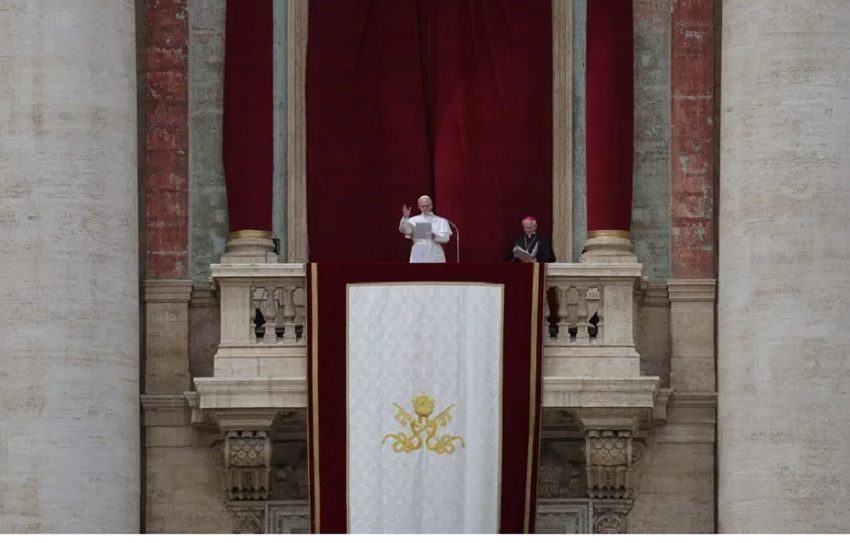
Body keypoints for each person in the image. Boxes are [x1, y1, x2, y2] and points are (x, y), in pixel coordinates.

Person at [399, 195, 452, 263]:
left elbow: (446, 239)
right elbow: (405, 230)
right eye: (423, 206)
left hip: (435, 251)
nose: (425, 208)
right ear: (419, 207)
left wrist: (432, 235)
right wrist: (405, 218)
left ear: (431, 206)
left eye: (427, 206)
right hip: (418, 251)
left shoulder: (441, 221)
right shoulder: (413, 220)